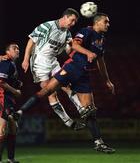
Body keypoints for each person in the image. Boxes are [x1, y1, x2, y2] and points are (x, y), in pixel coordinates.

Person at [13, 13, 116, 153]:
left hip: (84, 75)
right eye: (106, 21)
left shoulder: (101, 39)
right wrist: (87, 53)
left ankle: (99, 143)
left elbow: (100, 61)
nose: (108, 24)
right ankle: (20, 111)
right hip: (71, 69)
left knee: (90, 111)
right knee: (47, 91)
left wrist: (107, 81)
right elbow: (74, 45)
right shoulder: (86, 31)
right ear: (97, 22)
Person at [21, 8, 90, 130]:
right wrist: (26, 59)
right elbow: (31, 40)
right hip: (39, 62)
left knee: (67, 85)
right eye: (72, 20)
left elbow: (69, 50)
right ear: (65, 17)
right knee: (51, 92)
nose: (73, 24)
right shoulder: (47, 26)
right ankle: (69, 122)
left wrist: (79, 55)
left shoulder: (67, 33)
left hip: (53, 61)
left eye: (75, 22)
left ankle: (82, 109)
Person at [0, 43, 21, 163]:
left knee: (13, 127)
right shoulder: (5, 62)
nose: (17, 50)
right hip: (2, 97)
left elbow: (8, 79)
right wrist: (15, 91)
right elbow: (1, 82)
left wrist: (16, 83)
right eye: (15, 48)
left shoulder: (12, 64)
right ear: (8, 51)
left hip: (9, 99)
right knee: (2, 129)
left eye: (18, 48)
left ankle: (11, 159)